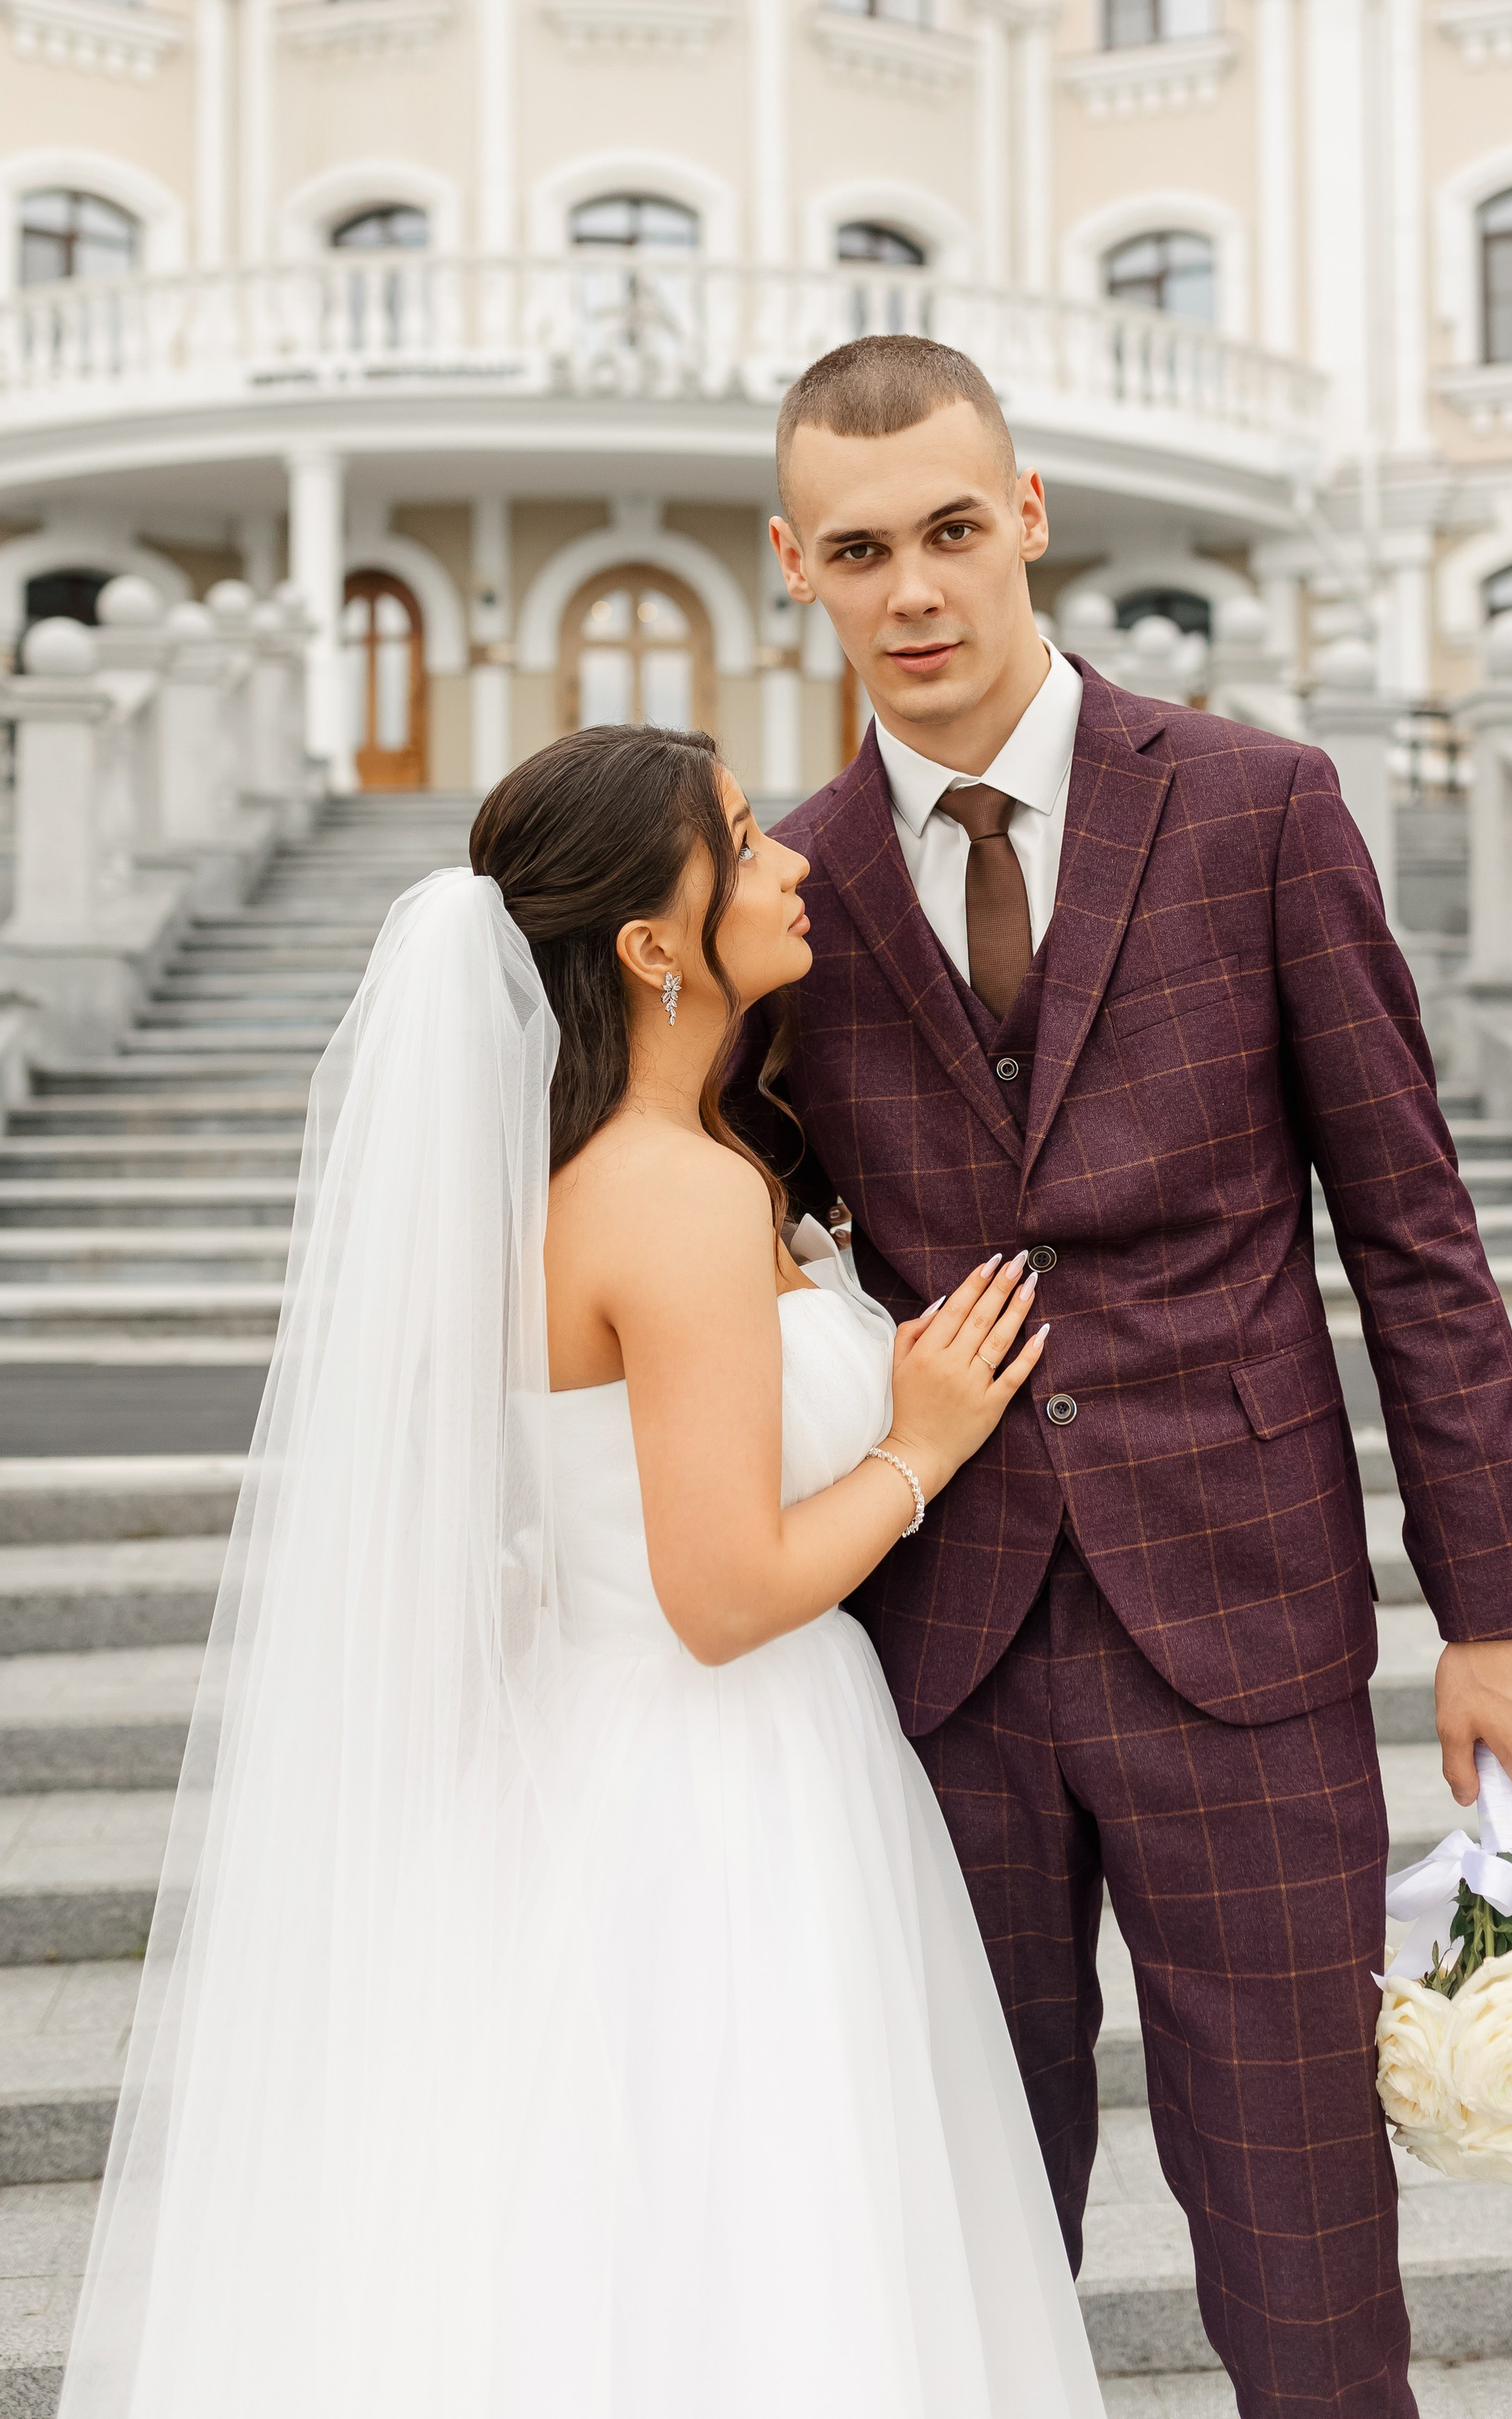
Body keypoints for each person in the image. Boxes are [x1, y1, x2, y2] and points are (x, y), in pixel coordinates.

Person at [59, 726, 1108, 2419]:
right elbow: (720, 1597)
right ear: (649, 942)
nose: (793, 868)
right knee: (762, 2256)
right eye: (750, 841)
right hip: (724, 1780)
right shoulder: (676, 1197)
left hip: (587, 1755)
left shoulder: (588, 1183)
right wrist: (917, 1443)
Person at [731, 336, 1512, 2418]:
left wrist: (1501, 1607)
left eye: (948, 530)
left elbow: (1417, 1233)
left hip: (1249, 1637)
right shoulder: (784, 895)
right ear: (795, 568)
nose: (914, 589)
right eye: (860, 550)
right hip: (937, 1664)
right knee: (967, 2254)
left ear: (1026, 516)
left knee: (1305, 2267)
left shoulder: (1263, 808)